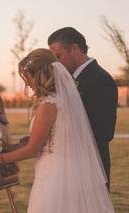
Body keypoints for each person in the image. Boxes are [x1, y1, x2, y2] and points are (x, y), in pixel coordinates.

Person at [0, 49, 114, 213]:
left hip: (55, 174)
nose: (28, 84)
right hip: (67, 169)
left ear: (39, 75)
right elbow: (45, 140)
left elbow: (33, 149)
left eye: (28, 79)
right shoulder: (62, 100)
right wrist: (9, 147)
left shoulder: (48, 105)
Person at [48, 27, 118, 189]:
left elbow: (104, 132)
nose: (56, 64)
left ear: (74, 49)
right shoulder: (70, 80)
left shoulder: (99, 79)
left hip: (90, 169)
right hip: (72, 166)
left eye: (59, 56)